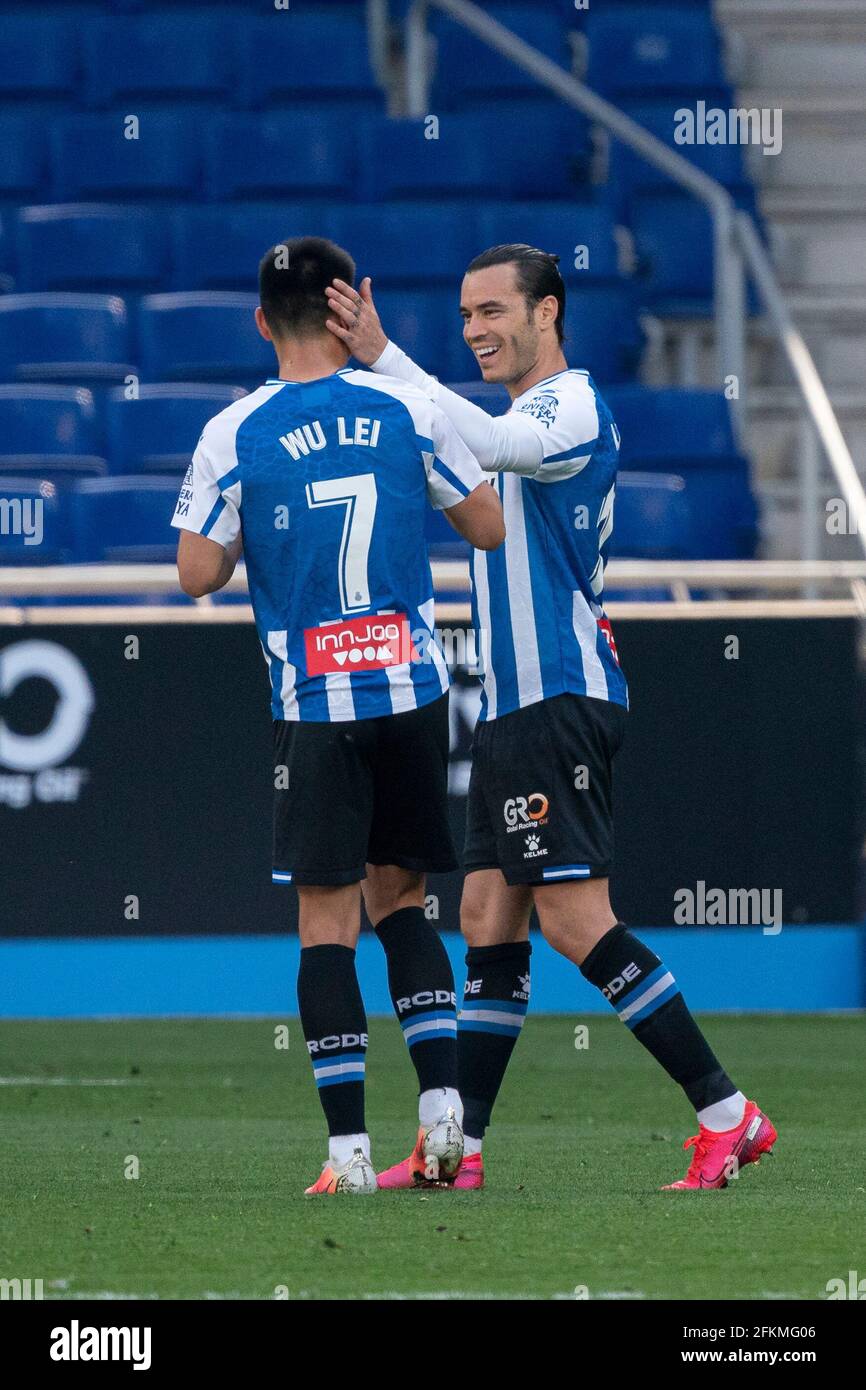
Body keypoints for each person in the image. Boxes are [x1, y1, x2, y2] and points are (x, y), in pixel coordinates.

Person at [326, 244, 777, 1192]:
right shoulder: (517, 409)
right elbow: (475, 451)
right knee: (488, 914)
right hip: (516, 708)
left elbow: (489, 450)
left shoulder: (568, 403)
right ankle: (465, 1152)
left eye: (493, 311)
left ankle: (728, 1114)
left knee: (576, 923)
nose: (477, 330)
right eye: (465, 316)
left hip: (559, 699)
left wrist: (383, 359)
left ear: (548, 313)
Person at [173, 236, 504, 1194]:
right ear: (344, 308)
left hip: (315, 703)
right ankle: (444, 1131)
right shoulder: (407, 406)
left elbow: (196, 573)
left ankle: (348, 1157)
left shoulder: (234, 432)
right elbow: (485, 525)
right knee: (403, 903)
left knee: (327, 925)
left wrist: (254, 537)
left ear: (259, 320)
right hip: (411, 690)